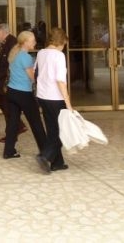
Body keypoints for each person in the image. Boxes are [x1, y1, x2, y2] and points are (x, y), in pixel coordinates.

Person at [3, 30, 47, 160]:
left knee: (13, 123)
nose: (35, 42)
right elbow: (32, 78)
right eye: (32, 40)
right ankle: (45, 151)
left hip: (11, 92)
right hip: (24, 94)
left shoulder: (14, 53)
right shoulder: (26, 57)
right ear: (26, 42)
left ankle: (9, 151)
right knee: (36, 123)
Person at [35, 27, 72, 173]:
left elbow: (36, 72)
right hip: (55, 98)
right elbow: (60, 81)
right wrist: (68, 103)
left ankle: (58, 163)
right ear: (61, 41)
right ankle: (45, 156)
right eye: (64, 44)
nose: (64, 48)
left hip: (42, 96)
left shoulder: (41, 53)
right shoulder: (58, 56)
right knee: (61, 132)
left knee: (52, 130)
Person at [0, 23, 26, 143]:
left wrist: (0, 71)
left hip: (8, 80)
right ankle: (17, 128)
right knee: (2, 103)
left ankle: (13, 132)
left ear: (3, 32)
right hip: (4, 78)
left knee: (6, 105)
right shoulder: (6, 42)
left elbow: (11, 62)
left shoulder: (11, 42)